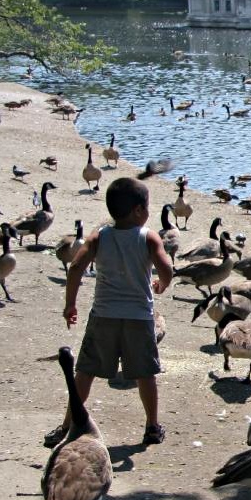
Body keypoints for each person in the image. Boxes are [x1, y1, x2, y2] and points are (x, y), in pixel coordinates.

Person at [47, 177, 174, 447]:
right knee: (145, 374)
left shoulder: (99, 236)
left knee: (86, 372)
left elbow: (76, 267)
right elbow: (167, 269)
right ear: (139, 210)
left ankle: (67, 425)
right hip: (139, 317)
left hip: (104, 315)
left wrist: (70, 304)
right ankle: (152, 426)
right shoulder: (148, 237)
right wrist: (161, 285)